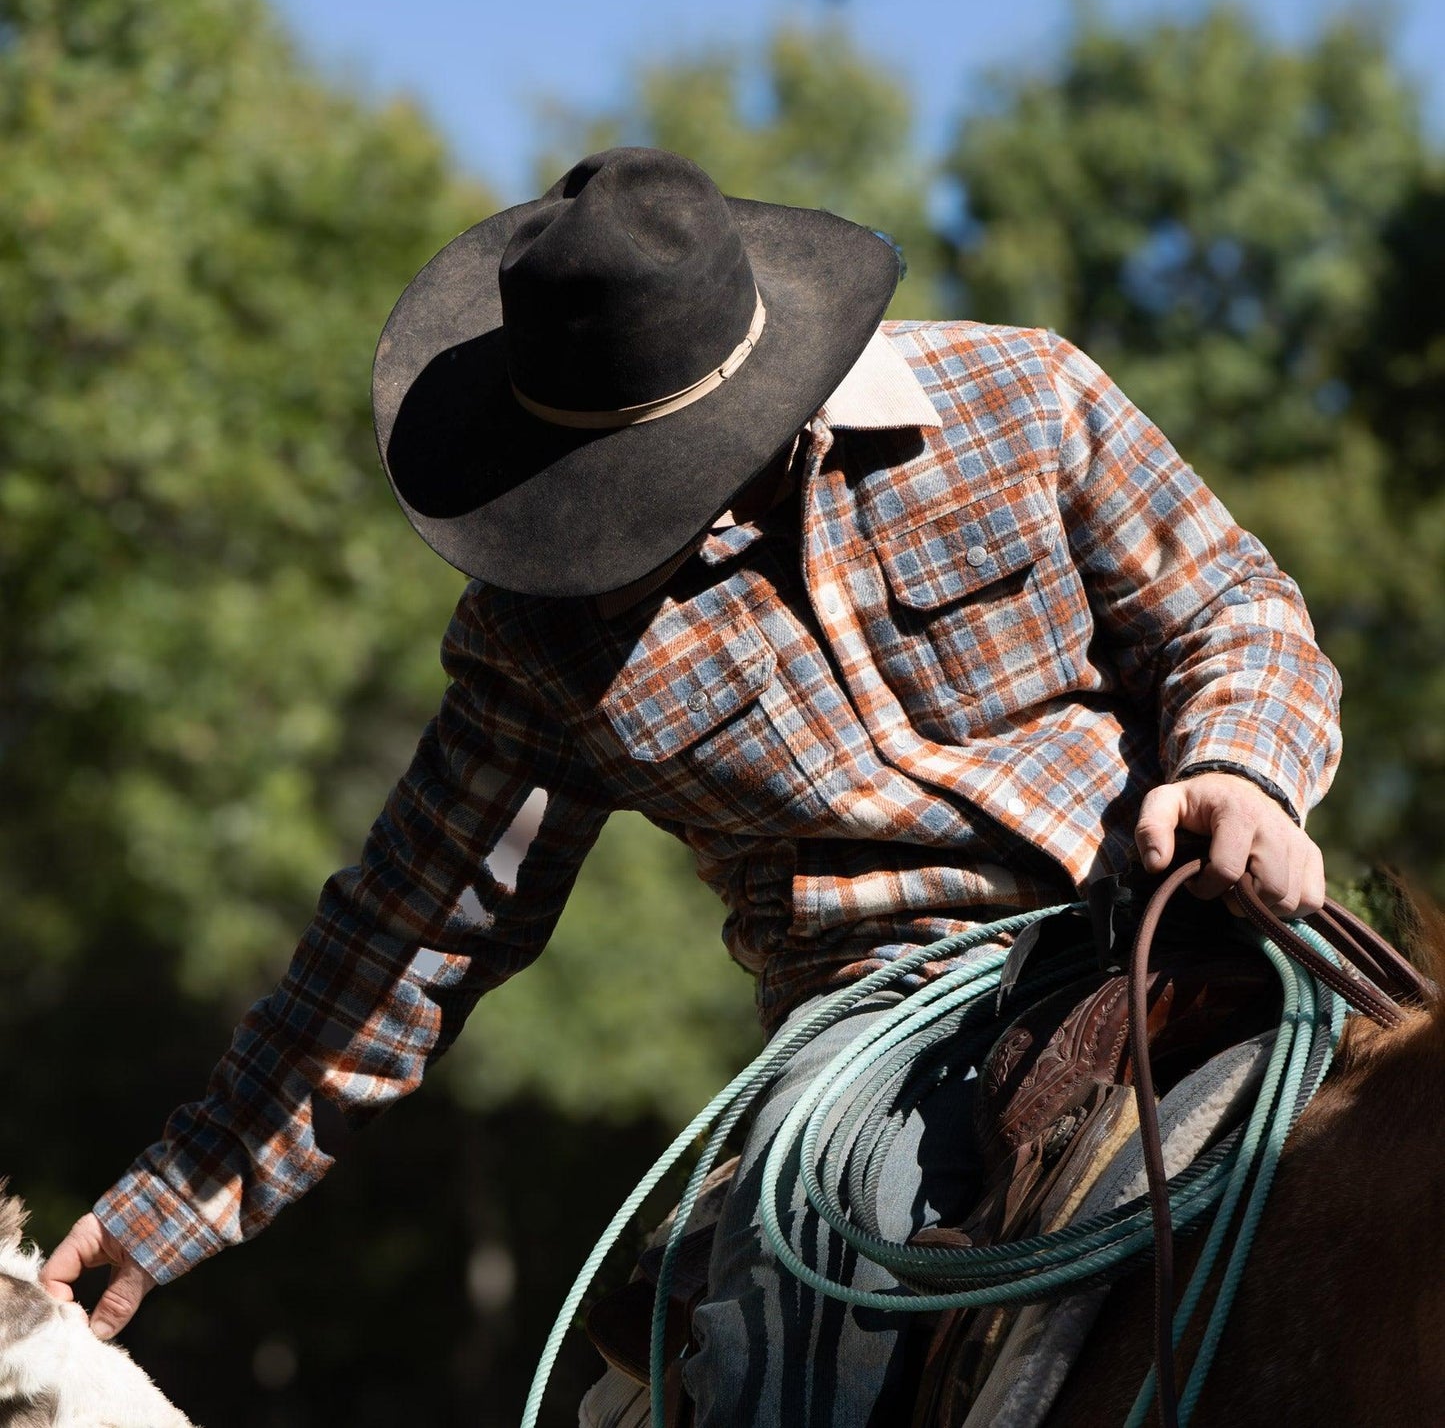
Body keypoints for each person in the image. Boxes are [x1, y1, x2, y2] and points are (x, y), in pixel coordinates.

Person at [40, 147, 1340, 1424]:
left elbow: (1229, 610)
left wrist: (1239, 770)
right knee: (801, 1319)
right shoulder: (538, 635)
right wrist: (172, 1199)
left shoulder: (1027, 396)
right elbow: (405, 937)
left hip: (1180, 904)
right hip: (873, 1017)